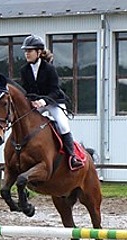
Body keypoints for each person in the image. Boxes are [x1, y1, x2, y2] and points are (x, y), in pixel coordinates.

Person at [20, 34, 84, 170]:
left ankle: (72, 157)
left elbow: (55, 91)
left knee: (63, 125)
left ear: (39, 52)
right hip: (37, 104)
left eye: (29, 51)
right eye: (25, 51)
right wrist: (31, 101)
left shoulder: (49, 69)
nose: (27, 54)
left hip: (54, 102)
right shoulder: (24, 70)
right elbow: (26, 91)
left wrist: (43, 101)